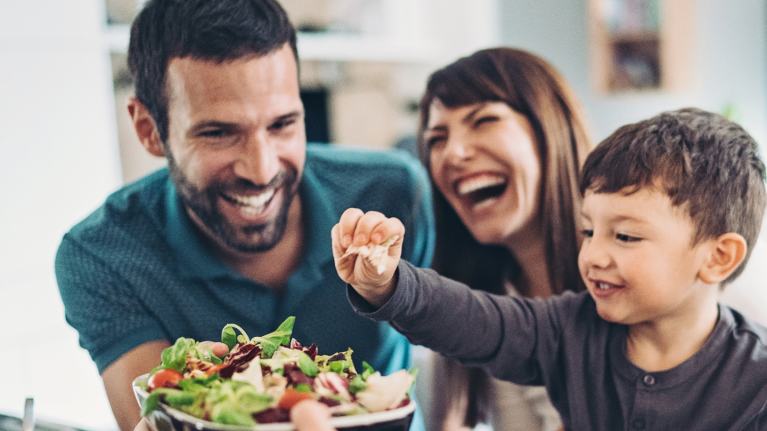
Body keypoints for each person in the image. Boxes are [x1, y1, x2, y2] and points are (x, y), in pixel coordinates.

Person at [54, 1, 434, 430]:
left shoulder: (395, 192)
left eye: (283, 124)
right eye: (218, 133)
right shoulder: (102, 256)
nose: (263, 170)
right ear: (148, 129)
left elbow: (465, 330)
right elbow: (167, 414)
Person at [332, 107, 767, 430]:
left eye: (626, 237)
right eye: (588, 230)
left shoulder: (755, 380)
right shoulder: (566, 330)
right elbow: (472, 318)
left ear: (717, 257)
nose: (593, 255)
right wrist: (387, 282)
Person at [414, 48, 592, 430]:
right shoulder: (485, 308)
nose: (454, 154)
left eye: (484, 120)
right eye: (437, 139)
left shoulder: (658, 281)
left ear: (551, 129)